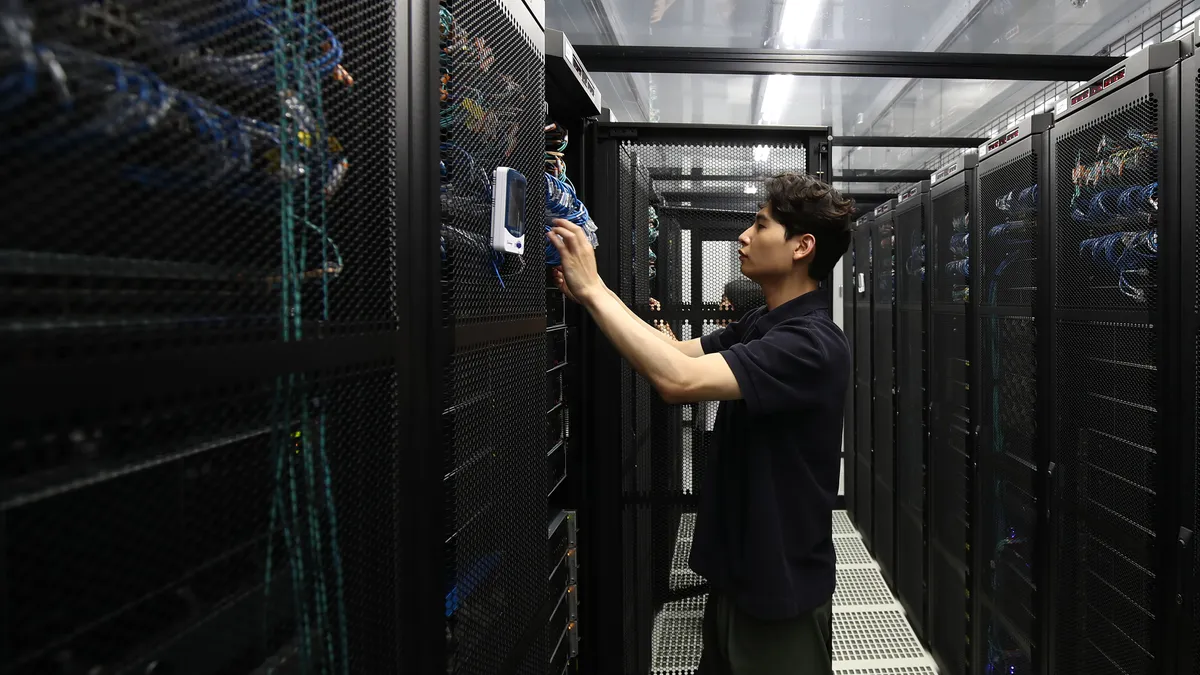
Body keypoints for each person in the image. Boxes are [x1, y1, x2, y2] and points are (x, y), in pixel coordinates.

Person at [550, 172, 853, 675]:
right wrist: (588, 297)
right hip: (738, 579)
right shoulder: (763, 323)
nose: (744, 236)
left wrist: (596, 288)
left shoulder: (812, 344)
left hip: (780, 597)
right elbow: (675, 352)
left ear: (802, 246)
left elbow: (679, 380)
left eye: (759, 226)